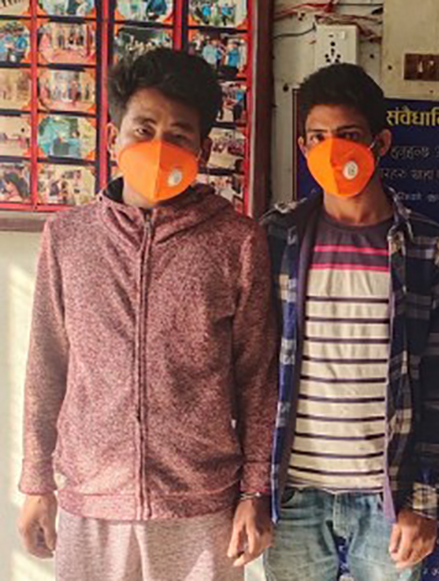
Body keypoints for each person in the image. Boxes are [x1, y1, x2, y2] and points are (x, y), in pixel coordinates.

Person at [16, 48, 276, 581]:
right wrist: (36, 483)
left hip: (201, 505)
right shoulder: (68, 238)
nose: (159, 147)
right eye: (144, 129)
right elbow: (46, 367)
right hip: (92, 500)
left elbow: (257, 378)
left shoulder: (237, 241)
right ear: (114, 137)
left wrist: (255, 490)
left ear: (203, 149)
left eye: (179, 135)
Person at [262, 63, 439, 581]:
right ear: (303, 146)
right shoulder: (276, 238)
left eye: (349, 135)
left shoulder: (430, 248)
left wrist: (425, 499)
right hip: (293, 492)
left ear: (381, 143)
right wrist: (252, 492)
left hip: (387, 495)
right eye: (318, 137)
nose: (332, 150)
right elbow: (252, 370)